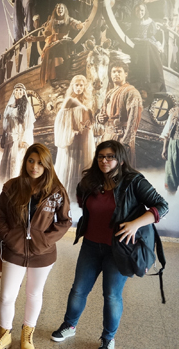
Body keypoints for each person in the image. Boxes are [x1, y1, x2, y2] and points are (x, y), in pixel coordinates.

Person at [51, 140, 168, 349]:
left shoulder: (134, 181)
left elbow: (162, 206)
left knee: (112, 296)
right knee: (78, 290)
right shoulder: (89, 181)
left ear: (120, 160)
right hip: (90, 246)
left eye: (110, 157)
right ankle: (69, 325)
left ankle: (108, 338)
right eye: (101, 156)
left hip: (119, 249)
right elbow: (83, 202)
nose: (104, 160)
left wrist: (135, 224)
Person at [0, 143, 72, 349]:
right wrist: (9, 237)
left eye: (40, 163)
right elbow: (0, 216)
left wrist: (44, 241)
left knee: (34, 294)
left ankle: (27, 335)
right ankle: (4, 335)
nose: (34, 166)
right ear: (25, 161)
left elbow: (64, 221)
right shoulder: (11, 187)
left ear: (48, 165)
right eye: (31, 161)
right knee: (7, 296)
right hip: (14, 250)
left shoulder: (56, 191)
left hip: (43, 253)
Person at [54, 75, 95, 196]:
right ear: (72, 86)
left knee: (82, 164)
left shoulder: (86, 102)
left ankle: (81, 194)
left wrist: (89, 126)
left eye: (81, 85)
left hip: (85, 138)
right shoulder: (69, 100)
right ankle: (69, 194)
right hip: (73, 139)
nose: (79, 88)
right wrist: (72, 132)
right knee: (72, 164)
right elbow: (60, 120)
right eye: (76, 85)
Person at [95, 62, 142, 166]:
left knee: (121, 168)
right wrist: (100, 118)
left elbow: (134, 118)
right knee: (106, 168)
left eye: (119, 71)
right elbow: (103, 113)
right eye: (114, 72)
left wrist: (126, 142)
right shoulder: (109, 92)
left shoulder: (131, 92)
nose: (116, 74)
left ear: (126, 74)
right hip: (107, 135)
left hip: (121, 136)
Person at [32, 3, 83, 86]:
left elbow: (76, 25)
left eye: (62, 8)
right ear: (55, 10)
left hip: (64, 42)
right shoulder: (51, 22)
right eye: (58, 8)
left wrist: (82, 25)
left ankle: (63, 74)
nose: (60, 10)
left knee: (59, 50)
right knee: (48, 52)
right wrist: (35, 39)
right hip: (53, 42)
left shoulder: (68, 20)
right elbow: (46, 35)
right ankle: (51, 77)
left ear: (65, 10)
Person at [0, 84, 36, 184]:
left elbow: (28, 126)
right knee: (7, 161)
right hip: (9, 138)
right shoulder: (9, 107)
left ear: (23, 93)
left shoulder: (26, 106)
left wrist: (24, 140)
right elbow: (5, 125)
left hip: (19, 139)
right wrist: (3, 138)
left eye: (20, 90)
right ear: (14, 92)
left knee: (17, 161)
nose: (18, 92)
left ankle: (17, 184)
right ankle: (7, 183)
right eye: (16, 90)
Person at [161, 107, 179, 193]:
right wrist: (164, 148)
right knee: (171, 171)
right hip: (173, 145)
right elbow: (167, 132)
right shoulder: (174, 113)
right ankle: (171, 192)